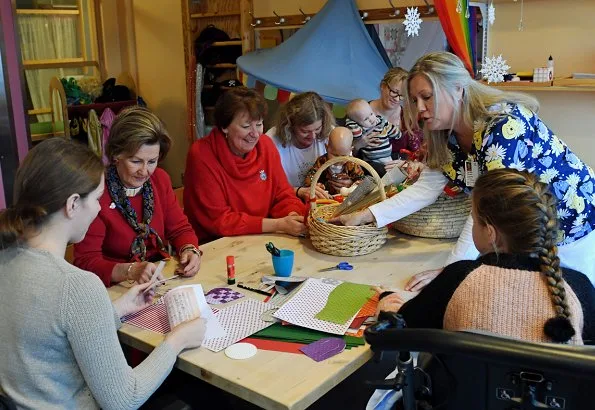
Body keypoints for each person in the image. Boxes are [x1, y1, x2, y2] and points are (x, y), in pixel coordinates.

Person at [332, 51, 595, 288]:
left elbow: (488, 208)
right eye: (414, 99)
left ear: (458, 89)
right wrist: (367, 214)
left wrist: (452, 270)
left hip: (575, 228)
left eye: (427, 97)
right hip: (530, 234)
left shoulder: (503, 126)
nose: (420, 108)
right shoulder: (444, 136)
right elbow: (424, 189)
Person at [0, 138, 205, 409]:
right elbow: (125, 400)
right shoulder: (76, 285)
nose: (99, 208)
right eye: (97, 199)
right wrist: (177, 340)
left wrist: (117, 308)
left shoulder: (7, 257)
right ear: (73, 204)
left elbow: (49, 330)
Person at [377, 169, 595, 344]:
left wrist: (388, 299)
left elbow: (400, 327)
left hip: (461, 400)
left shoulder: (458, 277)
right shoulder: (580, 287)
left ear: (490, 233)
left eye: (473, 218)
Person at [74, 106, 201, 287]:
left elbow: (179, 229)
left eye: (152, 161)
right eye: (135, 161)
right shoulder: (96, 193)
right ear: (116, 155)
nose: (144, 171)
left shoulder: (160, 180)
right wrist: (130, 270)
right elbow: (86, 262)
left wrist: (189, 249)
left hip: (158, 278)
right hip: (114, 287)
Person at [184, 87, 307, 243]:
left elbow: (282, 194)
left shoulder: (266, 146)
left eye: (259, 124)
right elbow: (219, 221)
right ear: (224, 126)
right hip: (214, 244)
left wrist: (292, 215)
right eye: (246, 126)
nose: (255, 134)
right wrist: (277, 224)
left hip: (262, 237)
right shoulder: (201, 154)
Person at [266, 91, 337, 201]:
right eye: (305, 131)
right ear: (289, 125)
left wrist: (347, 181)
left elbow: (349, 165)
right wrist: (297, 191)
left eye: (317, 129)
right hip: (286, 201)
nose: (313, 136)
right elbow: (265, 187)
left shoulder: (332, 135)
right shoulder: (272, 140)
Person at [369, 67, 424, 168]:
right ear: (383, 86)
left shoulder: (408, 120)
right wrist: (361, 143)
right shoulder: (360, 111)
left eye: (402, 96)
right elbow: (345, 151)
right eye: (394, 92)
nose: (397, 99)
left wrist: (406, 164)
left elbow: (419, 156)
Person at [345, 99, 400, 176]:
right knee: (381, 171)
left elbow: (393, 130)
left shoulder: (380, 121)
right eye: (366, 119)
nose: (371, 119)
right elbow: (355, 132)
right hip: (372, 160)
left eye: (371, 114)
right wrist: (350, 121)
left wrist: (397, 133)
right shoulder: (361, 129)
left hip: (388, 156)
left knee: (402, 160)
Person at [303, 127, 365, 195]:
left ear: (350, 150)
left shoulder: (352, 163)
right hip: (327, 196)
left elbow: (362, 179)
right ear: (327, 148)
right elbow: (311, 176)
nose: (339, 160)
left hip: (347, 196)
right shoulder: (322, 161)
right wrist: (317, 185)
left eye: (343, 156)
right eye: (335, 155)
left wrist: (353, 185)